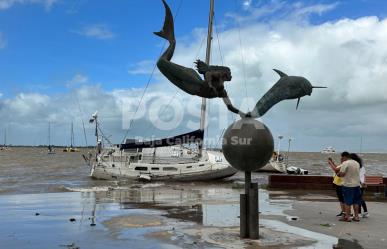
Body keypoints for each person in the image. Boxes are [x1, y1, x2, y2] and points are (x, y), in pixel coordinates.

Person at [333, 152, 361, 222]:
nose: (342, 159)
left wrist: (338, 174)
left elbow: (342, 174)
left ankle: (347, 217)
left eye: (342, 158)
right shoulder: (357, 163)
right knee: (356, 202)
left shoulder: (346, 163)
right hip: (357, 185)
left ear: (345, 157)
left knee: (347, 202)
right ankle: (356, 216)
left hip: (348, 185)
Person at [350, 153, 369, 218]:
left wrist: (361, 183)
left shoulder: (355, 166)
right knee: (360, 198)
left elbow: (357, 176)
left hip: (358, 184)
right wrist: (365, 182)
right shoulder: (362, 167)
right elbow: (364, 175)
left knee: (358, 199)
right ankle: (365, 212)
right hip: (362, 184)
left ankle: (359, 213)